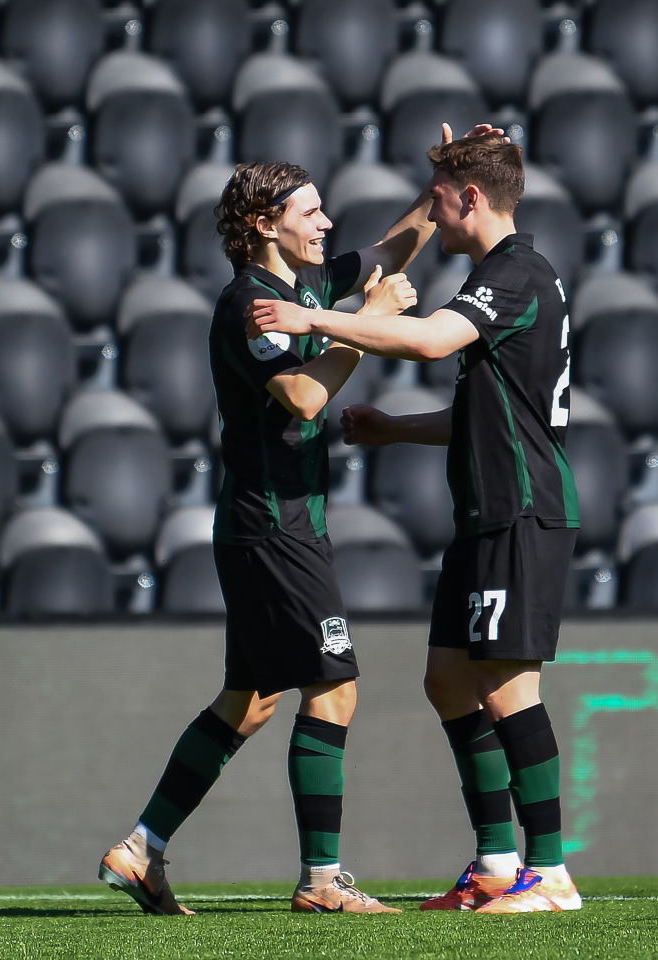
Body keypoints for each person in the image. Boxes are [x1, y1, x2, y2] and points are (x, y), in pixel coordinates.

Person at [100, 128, 486, 917]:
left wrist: (443, 180)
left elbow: (393, 248)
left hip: (273, 522)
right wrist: (366, 323)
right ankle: (321, 881)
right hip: (273, 524)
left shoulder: (305, 287)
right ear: (265, 225)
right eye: (310, 213)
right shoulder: (251, 305)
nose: (326, 223)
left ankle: (140, 849)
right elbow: (305, 398)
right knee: (335, 688)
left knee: (250, 701)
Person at [248, 133, 582, 914]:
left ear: (472, 198)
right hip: (485, 509)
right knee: (449, 681)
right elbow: (487, 413)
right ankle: (496, 862)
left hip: (521, 507)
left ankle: (551, 872)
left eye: (439, 197)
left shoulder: (516, 271)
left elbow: (431, 340)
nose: (432, 210)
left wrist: (318, 320)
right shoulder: (498, 275)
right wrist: (396, 429)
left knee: (507, 686)